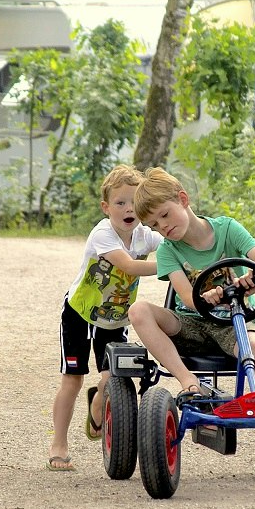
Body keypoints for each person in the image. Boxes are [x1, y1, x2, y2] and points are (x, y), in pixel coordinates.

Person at [128, 167, 255, 458]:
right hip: (192, 322)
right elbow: (187, 298)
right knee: (139, 310)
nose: (163, 227)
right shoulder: (169, 250)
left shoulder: (227, 230)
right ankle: (188, 382)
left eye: (165, 215)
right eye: (154, 225)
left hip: (235, 319)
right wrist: (204, 298)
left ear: (183, 199)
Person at [49, 165, 163, 471]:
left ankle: (98, 403)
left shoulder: (145, 235)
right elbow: (129, 266)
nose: (128, 209)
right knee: (72, 379)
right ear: (106, 207)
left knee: (113, 375)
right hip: (81, 314)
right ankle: (58, 444)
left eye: (134, 202)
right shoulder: (103, 234)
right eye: (120, 203)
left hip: (115, 318)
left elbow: (173, 243)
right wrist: (169, 265)